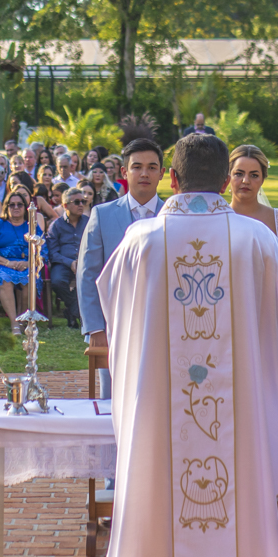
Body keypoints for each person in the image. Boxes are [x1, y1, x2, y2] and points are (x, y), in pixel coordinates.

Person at [98, 133, 278, 557]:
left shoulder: (141, 240)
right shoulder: (255, 240)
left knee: (158, 502)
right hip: (230, 420)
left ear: (171, 178)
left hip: (158, 417)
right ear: (223, 182)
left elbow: (114, 313)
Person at [78, 136, 166, 399]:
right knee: (111, 402)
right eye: (137, 166)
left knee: (156, 400)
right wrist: (95, 328)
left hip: (160, 327)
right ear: (124, 172)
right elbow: (87, 274)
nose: (144, 173)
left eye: (152, 167)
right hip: (112, 326)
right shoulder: (102, 215)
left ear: (162, 173)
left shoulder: (173, 216)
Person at [223, 144, 278, 272]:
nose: (246, 180)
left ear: (263, 179)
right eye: (239, 174)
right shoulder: (219, 218)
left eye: (254, 175)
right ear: (229, 177)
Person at [0, 188, 36, 319]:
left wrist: (27, 263)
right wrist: (8, 263)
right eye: (12, 204)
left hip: (26, 264)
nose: (16, 207)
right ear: (6, 207)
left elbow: (42, 250)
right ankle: (14, 323)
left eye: (20, 204)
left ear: (25, 207)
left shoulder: (32, 225)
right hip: (1, 264)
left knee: (28, 280)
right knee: (4, 279)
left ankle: (22, 320)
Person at [46, 186, 87, 328]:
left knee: (95, 281)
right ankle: (77, 312)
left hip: (86, 263)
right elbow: (53, 253)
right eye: (77, 202)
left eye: (83, 201)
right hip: (63, 263)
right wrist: (70, 263)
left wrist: (82, 262)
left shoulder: (89, 222)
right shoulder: (56, 226)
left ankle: (72, 312)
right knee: (57, 281)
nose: (81, 205)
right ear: (65, 205)